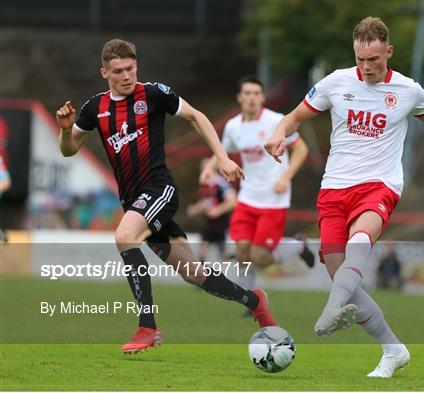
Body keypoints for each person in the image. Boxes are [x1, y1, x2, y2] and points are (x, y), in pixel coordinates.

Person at [265, 17, 424, 378]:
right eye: (361, 60)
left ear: (388, 52)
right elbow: (295, 117)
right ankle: (393, 350)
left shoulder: (408, 91)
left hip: (378, 185)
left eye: (374, 60)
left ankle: (327, 316)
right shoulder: (336, 82)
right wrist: (277, 133)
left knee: (360, 240)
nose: (366, 68)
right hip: (333, 189)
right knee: (343, 280)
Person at [56, 39, 278, 354]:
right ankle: (255, 302)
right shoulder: (96, 108)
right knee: (193, 273)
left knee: (124, 236)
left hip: (159, 190)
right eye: (118, 71)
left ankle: (148, 327)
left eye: (130, 68)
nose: (126, 76)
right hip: (134, 201)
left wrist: (223, 158)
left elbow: (197, 117)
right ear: (104, 72)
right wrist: (66, 131)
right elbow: (68, 150)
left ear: (137, 66)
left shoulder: (154, 93)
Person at [200, 75, 314, 292]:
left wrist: (285, 177)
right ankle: (250, 301)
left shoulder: (276, 121)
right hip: (247, 196)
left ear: (262, 97)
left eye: (256, 93)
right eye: (247, 93)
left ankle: (298, 245)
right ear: (239, 98)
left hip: (273, 198)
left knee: (260, 257)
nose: (252, 98)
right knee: (242, 251)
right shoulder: (233, 126)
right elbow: (223, 152)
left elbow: (301, 149)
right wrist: (208, 168)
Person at [187, 158, 237, 262]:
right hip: (208, 223)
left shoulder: (221, 183)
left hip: (221, 223)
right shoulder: (205, 184)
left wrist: (218, 210)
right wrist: (195, 209)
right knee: (202, 253)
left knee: (223, 256)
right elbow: (206, 202)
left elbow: (232, 200)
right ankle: (201, 272)